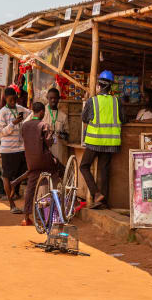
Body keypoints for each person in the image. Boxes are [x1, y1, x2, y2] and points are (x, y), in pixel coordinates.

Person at [80, 70, 122, 209]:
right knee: (105, 170)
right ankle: (103, 203)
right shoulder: (116, 101)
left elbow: (84, 118)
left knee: (84, 166)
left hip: (95, 141)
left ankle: (96, 194)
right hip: (111, 143)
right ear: (110, 87)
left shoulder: (93, 101)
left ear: (98, 86)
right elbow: (123, 119)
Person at [20, 101, 64, 226]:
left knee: (30, 187)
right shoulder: (44, 125)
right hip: (44, 160)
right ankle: (53, 213)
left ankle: (26, 217)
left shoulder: (25, 125)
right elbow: (49, 143)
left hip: (30, 161)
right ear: (41, 112)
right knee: (56, 173)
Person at [0, 86, 31, 214]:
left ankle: (14, 186)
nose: (13, 102)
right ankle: (11, 205)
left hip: (20, 148)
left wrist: (25, 122)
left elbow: (31, 113)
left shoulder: (20, 108)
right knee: (6, 176)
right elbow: (2, 132)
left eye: (14, 99)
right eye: (10, 100)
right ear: (5, 99)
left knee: (27, 171)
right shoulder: (2, 112)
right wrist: (14, 123)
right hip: (7, 149)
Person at [42, 86, 70, 166]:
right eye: (51, 98)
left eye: (55, 98)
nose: (53, 100)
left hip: (58, 149)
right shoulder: (42, 112)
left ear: (59, 98)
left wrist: (60, 135)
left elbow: (67, 135)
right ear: (47, 98)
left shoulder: (63, 116)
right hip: (44, 148)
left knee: (57, 171)